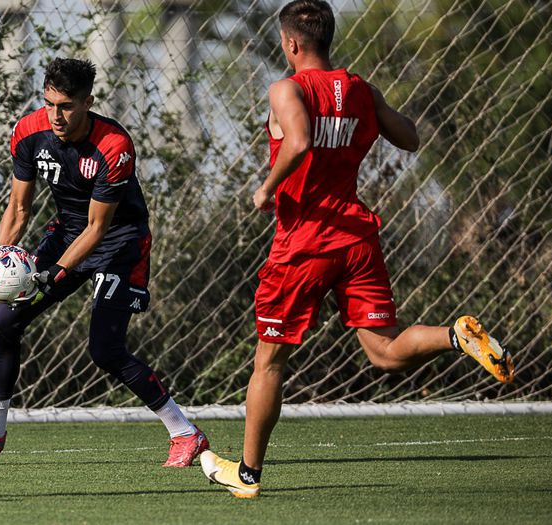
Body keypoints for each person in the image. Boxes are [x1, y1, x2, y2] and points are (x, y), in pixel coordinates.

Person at [199, 0, 513, 498]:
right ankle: (454, 335)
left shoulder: (286, 88)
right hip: (357, 238)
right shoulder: (361, 89)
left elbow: (299, 141)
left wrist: (266, 187)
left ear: (291, 43)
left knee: (269, 364)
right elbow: (409, 138)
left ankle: (248, 474)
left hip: (305, 244)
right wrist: (362, 115)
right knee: (385, 353)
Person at [0, 58, 208, 467]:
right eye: (49, 104)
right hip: (67, 232)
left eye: (66, 106)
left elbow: (98, 228)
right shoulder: (29, 132)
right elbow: (19, 208)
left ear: (87, 102)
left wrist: (50, 275)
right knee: (3, 322)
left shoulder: (114, 145)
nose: (56, 115)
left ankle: (186, 433)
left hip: (120, 241)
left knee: (106, 349)